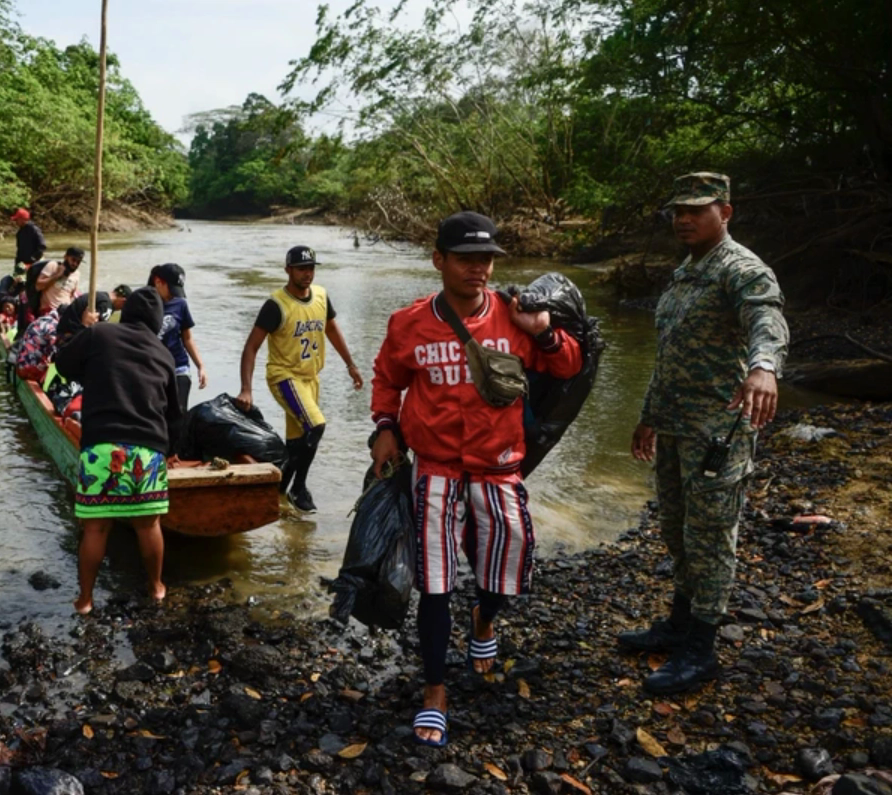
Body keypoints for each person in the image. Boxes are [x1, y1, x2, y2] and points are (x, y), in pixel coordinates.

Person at [369, 211, 582, 746]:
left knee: (503, 566)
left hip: (499, 466)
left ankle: (484, 622)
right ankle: (435, 690)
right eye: (465, 258)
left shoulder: (517, 318)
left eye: (486, 259)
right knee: (435, 582)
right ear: (438, 260)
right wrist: (385, 428)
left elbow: (569, 369)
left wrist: (546, 333)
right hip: (435, 468)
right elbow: (386, 381)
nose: (478, 269)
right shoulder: (408, 323)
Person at [620, 172, 789, 694]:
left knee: (710, 538)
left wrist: (763, 367)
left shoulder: (740, 270)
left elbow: (767, 316)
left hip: (718, 433)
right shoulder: (686, 271)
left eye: (697, 209)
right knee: (676, 530)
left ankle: (701, 648)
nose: (684, 219)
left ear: (726, 212)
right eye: (678, 211)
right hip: (674, 427)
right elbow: (670, 354)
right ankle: (678, 623)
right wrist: (649, 415)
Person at [53, 287, 181, 611]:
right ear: (156, 322)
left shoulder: (99, 334)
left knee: (95, 527)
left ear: (127, 313)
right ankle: (156, 588)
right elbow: (173, 416)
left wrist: (84, 328)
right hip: (148, 450)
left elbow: (63, 363)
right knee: (148, 525)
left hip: (101, 448)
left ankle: (84, 600)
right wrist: (172, 451)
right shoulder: (164, 354)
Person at [234, 246, 363, 513]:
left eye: (311, 268)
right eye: (302, 268)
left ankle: (279, 491)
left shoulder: (321, 296)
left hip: (310, 378)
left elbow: (331, 328)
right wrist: (246, 388)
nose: (308, 274)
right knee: (316, 426)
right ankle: (299, 488)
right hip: (284, 376)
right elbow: (251, 347)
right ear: (288, 270)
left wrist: (350, 364)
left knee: (298, 440)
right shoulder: (276, 305)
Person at [148, 263, 207, 410]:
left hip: (178, 367)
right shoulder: (143, 304)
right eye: (171, 290)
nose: (173, 295)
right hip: (151, 368)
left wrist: (200, 366)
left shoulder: (180, 305)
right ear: (158, 282)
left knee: (179, 415)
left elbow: (187, 338)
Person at [34, 247, 84, 315]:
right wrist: (57, 276)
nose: (75, 264)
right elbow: (38, 286)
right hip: (50, 311)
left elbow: (71, 295)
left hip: (66, 311)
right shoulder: (53, 266)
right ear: (65, 257)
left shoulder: (77, 274)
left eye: (78, 262)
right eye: (73, 260)